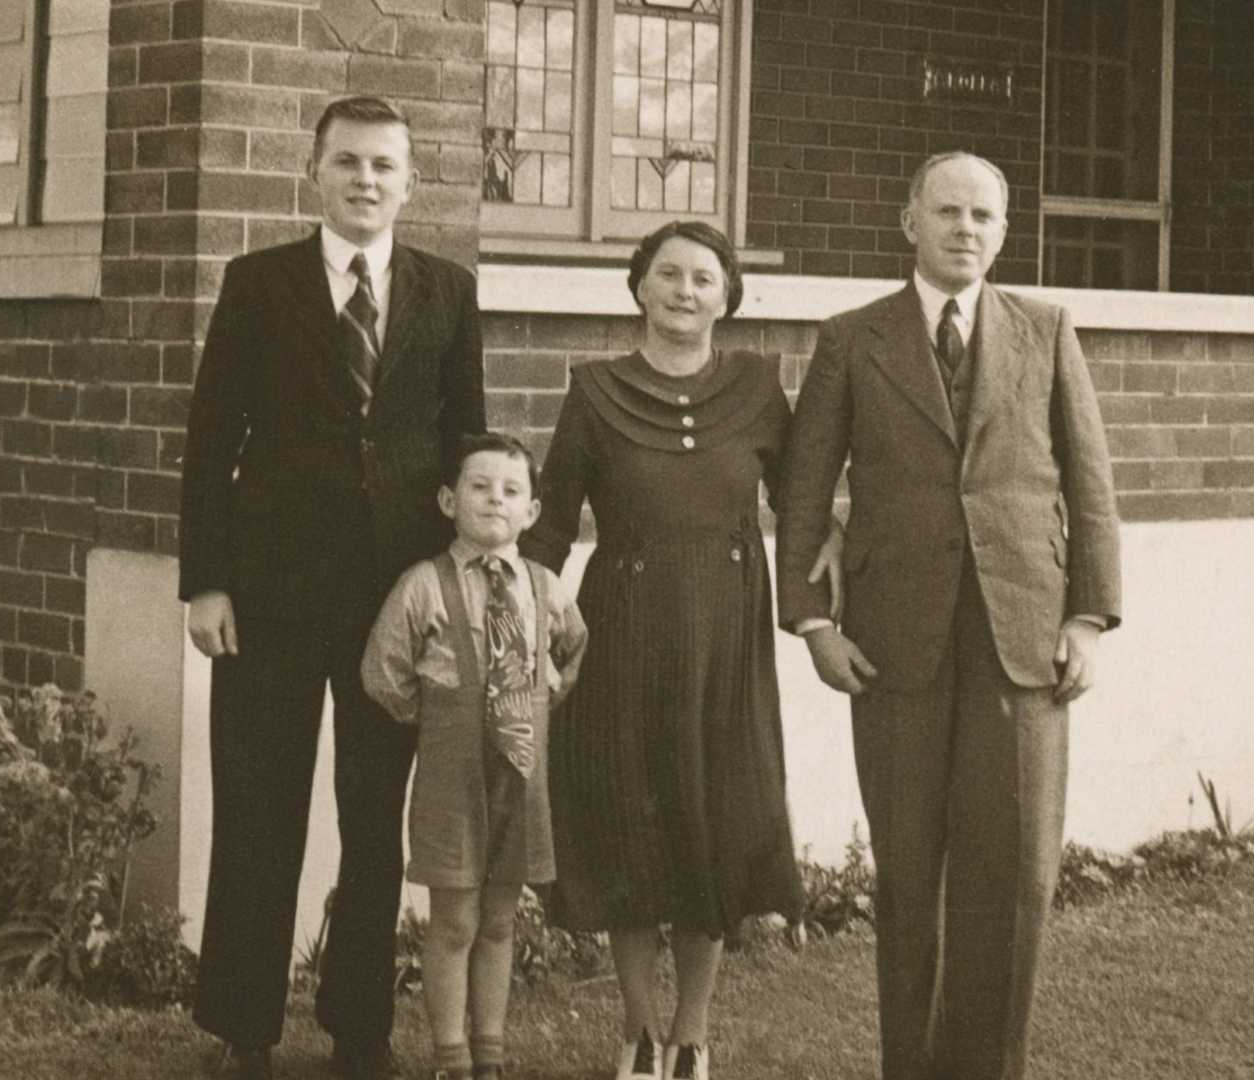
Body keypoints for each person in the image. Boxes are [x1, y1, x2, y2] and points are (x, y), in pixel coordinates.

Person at [774, 151, 1123, 1080]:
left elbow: (1090, 486)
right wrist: (813, 624)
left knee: (1013, 881)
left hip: (1025, 641)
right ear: (909, 221)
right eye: (947, 212)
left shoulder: (1047, 331)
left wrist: (1089, 617)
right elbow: (806, 490)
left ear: (1003, 232)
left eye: (984, 216)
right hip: (890, 645)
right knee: (910, 876)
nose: (966, 229)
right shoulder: (853, 339)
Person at [179, 95, 487, 1080]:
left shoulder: (447, 292)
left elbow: (465, 448)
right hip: (267, 595)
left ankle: (360, 1026)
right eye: (347, 162)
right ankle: (246, 1028)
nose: (365, 181)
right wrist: (207, 585)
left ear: (409, 181)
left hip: (395, 602)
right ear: (315, 172)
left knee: (372, 813)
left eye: (384, 166)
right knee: (259, 804)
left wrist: (460, 589)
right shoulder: (259, 284)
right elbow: (209, 442)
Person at [523, 221, 841, 1080]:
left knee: (712, 821)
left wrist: (836, 548)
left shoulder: (756, 385)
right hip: (622, 629)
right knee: (630, 824)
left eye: (704, 278)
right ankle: (637, 1030)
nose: (685, 291)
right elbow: (551, 519)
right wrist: (530, 593)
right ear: (639, 287)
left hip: (727, 632)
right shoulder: (594, 391)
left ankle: (694, 1033)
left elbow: (799, 497)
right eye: (668, 275)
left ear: (728, 296)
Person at [361, 433, 588, 1080]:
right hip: (450, 772)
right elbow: (383, 672)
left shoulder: (545, 589)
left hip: (521, 772)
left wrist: (542, 694)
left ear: (532, 514)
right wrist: (440, 716)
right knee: (455, 918)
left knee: (499, 916)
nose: (495, 500)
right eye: (479, 487)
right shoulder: (422, 587)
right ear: (447, 499)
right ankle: (450, 1057)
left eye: (511, 491)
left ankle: (489, 1052)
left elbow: (573, 646)